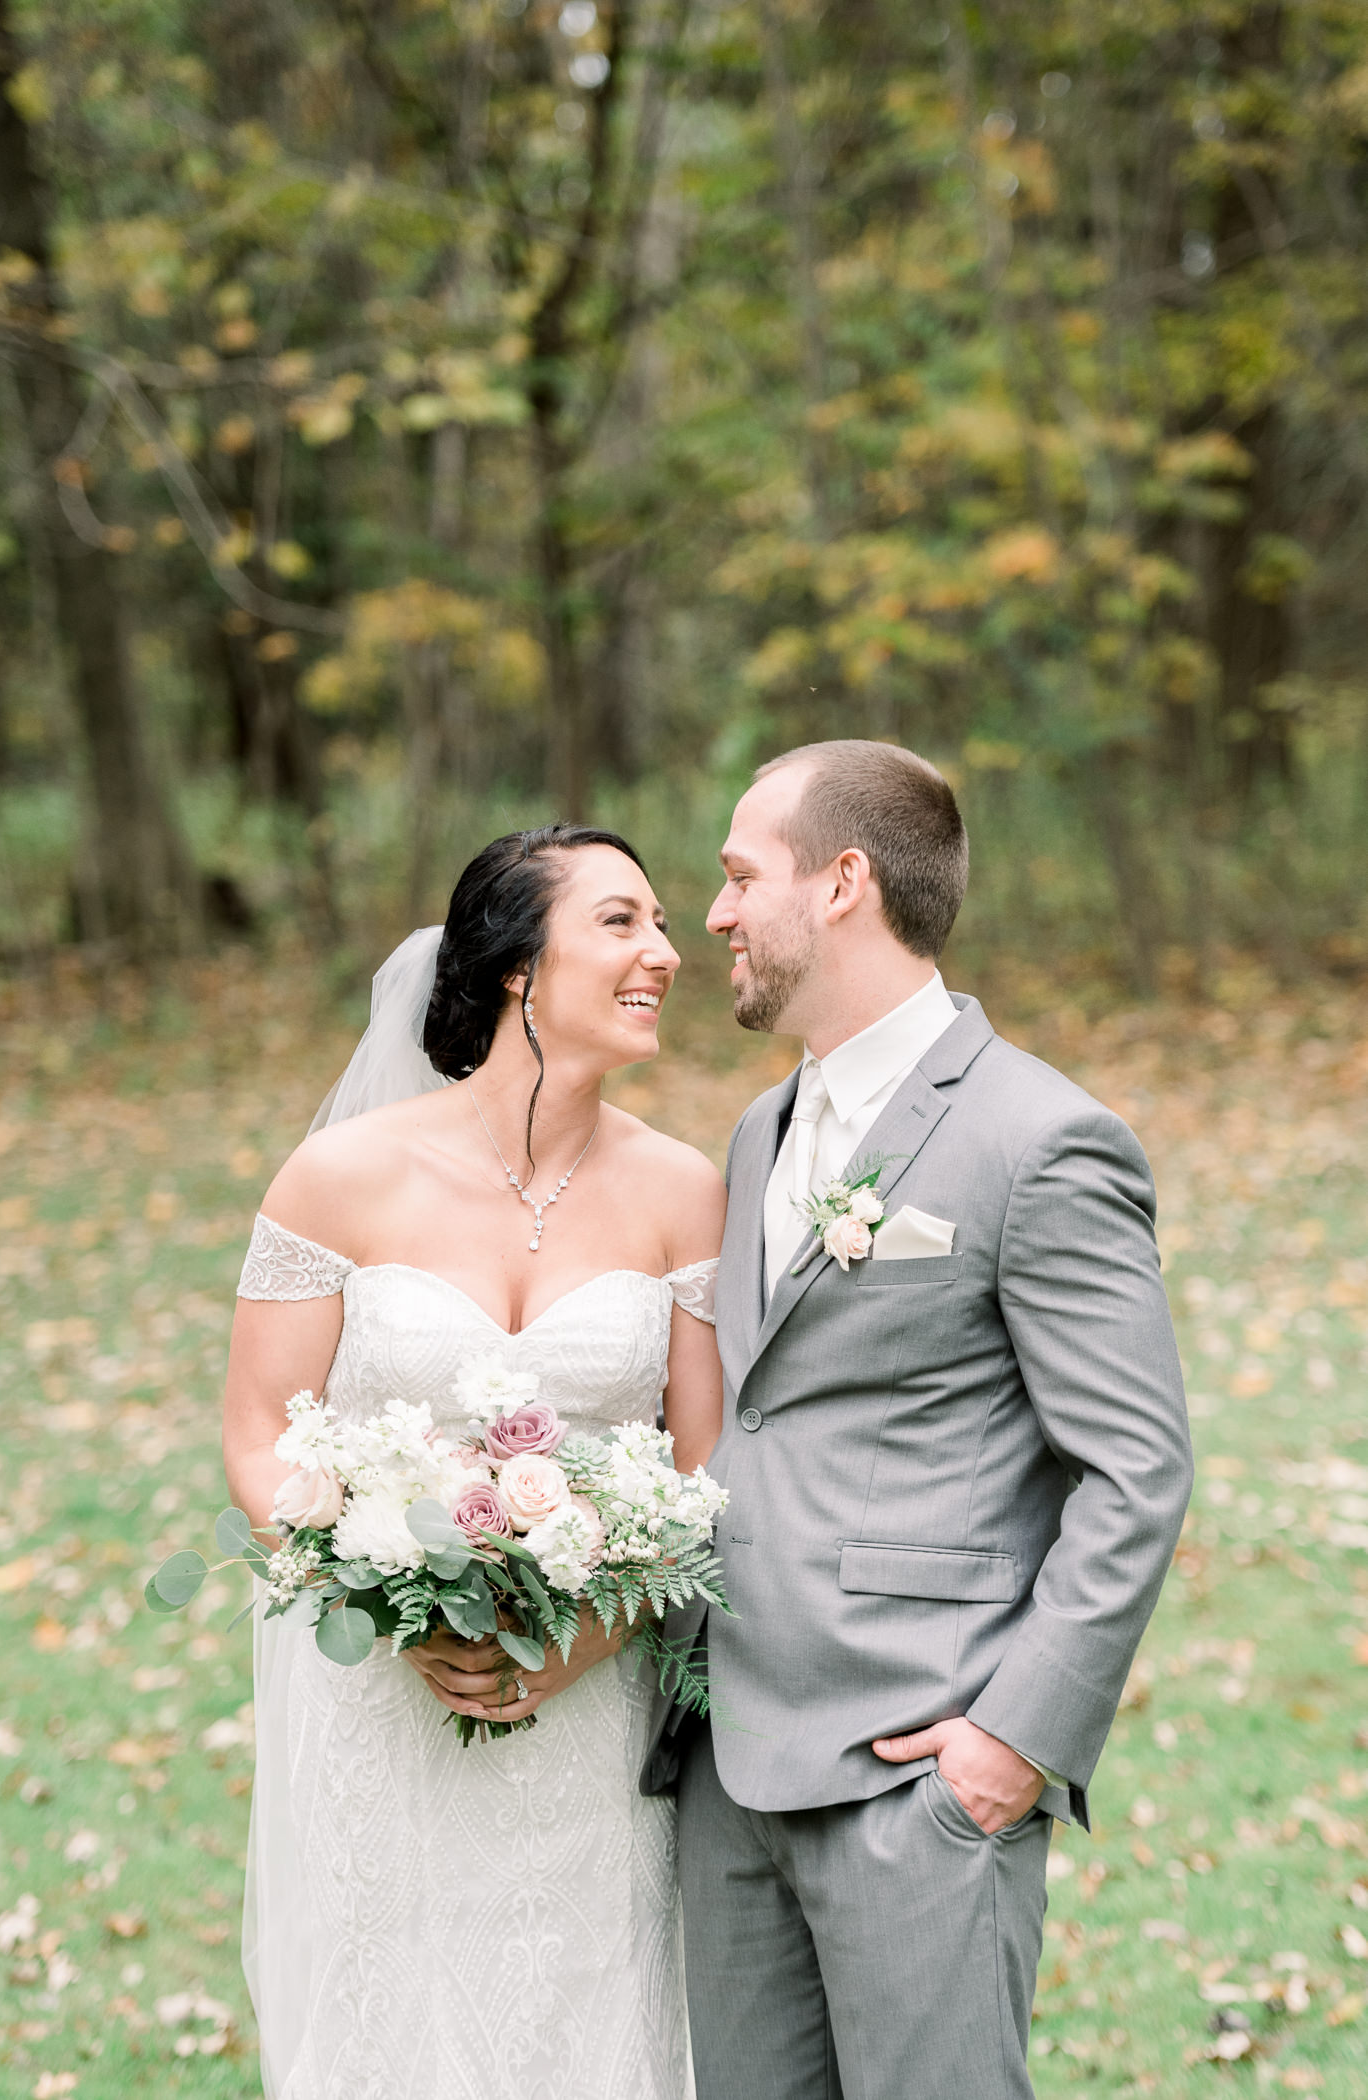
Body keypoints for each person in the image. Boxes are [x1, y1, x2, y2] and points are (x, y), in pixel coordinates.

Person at [644, 740, 1194, 2100]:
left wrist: (1012, 1741)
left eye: (735, 877)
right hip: (729, 1767)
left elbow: (1133, 1469)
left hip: (916, 1770)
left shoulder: (1038, 1140)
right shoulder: (760, 1133)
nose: (710, 915)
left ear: (841, 884)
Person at [222, 825, 724, 2100]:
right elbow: (259, 1437)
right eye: (622, 923)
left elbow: (713, 1473)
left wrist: (587, 1641)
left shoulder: (683, 1193)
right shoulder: (339, 1178)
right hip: (387, 1706)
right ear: (514, 964)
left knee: (589, 2016)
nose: (664, 952)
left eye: (663, 924)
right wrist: (389, 1601)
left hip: (595, 1712)